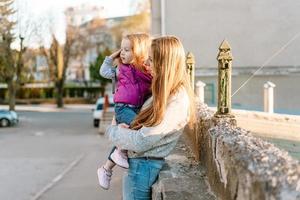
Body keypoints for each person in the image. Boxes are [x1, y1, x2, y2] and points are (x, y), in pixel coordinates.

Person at [105, 36, 196, 199]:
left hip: (143, 166)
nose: (146, 64)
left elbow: (142, 141)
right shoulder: (163, 93)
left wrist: (113, 131)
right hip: (140, 165)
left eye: (151, 60)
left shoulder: (177, 100)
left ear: (165, 64)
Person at [97, 33, 152, 190]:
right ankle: (119, 151)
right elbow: (103, 71)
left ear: (139, 51)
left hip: (136, 108)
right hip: (122, 108)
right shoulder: (121, 70)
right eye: (121, 49)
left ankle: (106, 168)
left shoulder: (146, 71)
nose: (122, 53)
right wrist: (112, 56)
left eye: (127, 50)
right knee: (136, 129)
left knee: (132, 133)